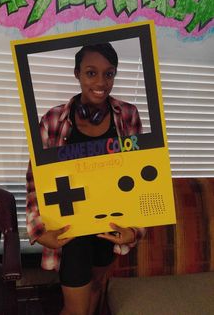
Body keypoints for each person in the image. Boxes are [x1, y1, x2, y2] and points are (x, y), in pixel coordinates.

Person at [26, 43, 146, 315]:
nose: (102, 82)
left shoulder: (128, 116)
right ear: (77, 73)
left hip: (109, 227)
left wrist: (134, 231)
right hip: (72, 230)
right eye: (91, 73)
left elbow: (138, 175)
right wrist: (39, 231)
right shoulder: (54, 119)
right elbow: (35, 177)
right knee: (75, 309)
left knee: (94, 292)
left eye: (109, 73)